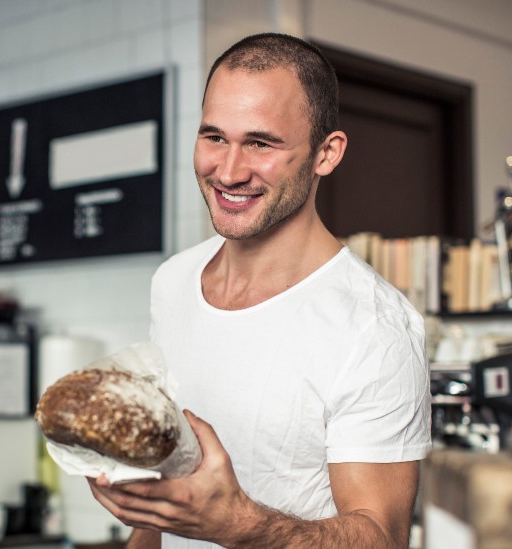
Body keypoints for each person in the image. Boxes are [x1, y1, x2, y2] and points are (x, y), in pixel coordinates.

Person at [88, 33, 431, 548]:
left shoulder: (374, 325)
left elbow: (382, 537)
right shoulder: (173, 281)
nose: (228, 171)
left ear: (326, 153)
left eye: (261, 143)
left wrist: (238, 525)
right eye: (214, 137)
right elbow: (163, 505)